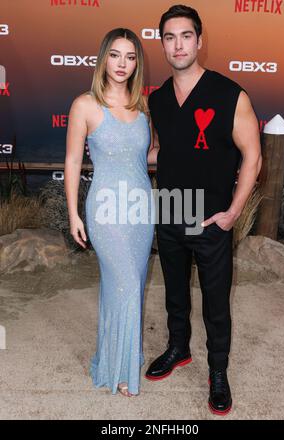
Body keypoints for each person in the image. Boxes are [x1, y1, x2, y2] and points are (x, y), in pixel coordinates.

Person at [145, 5, 262, 415]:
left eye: (186, 36)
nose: (178, 45)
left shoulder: (230, 94)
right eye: (169, 37)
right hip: (171, 211)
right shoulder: (157, 99)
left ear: (199, 40)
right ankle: (178, 348)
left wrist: (232, 212)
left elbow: (253, 157)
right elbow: (162, 151)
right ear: (162, 43)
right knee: (174, 294)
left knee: (216, 303)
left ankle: (217, 371)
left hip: (212, 218)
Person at [64, 28, 155, 397]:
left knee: (125, 288)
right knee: (126, 285)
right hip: (105, 209)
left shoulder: (142, 106)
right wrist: (73, 214)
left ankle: (115, 358)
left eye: (130, 57)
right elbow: (72, 162)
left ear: (137, 63)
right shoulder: (84, 104)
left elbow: (144, 157)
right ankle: (120, 371)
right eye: (115, 55)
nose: (122, 64)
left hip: (140, 209)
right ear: (103, 58)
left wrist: (196, 152)